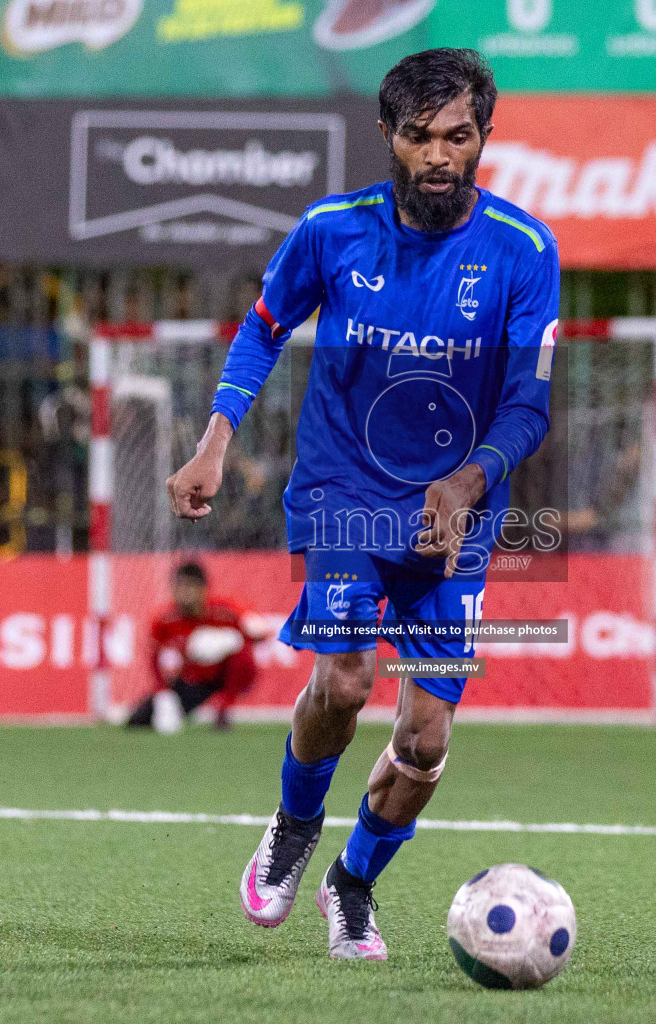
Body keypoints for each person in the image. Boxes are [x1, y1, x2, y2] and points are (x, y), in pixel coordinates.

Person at [167, 49, 557, 961]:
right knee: (342, 681)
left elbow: (528, 403)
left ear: (483, 138)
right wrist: (216, 438)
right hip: (342, 490)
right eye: (419, 136)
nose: (437, 156)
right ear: (388, 135)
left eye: (456, 136)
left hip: (454, 512)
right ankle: (296, 824)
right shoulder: (330, 230)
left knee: (424, 740)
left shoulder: (524, 251)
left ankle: (353, 885)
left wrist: (467, 483)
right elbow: (264, 326)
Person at [125, 561, 265, 733]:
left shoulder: (224, 611)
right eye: (179, 586)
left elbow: (260, 633)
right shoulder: (165, 619)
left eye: (190, 586)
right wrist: (163, 691)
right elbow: (153, 657)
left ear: (203, 589)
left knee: (241, 651)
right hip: (194, 679)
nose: (184, 593)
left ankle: (223, 709)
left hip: (225, 673)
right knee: (138, 721)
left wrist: (229, 639)